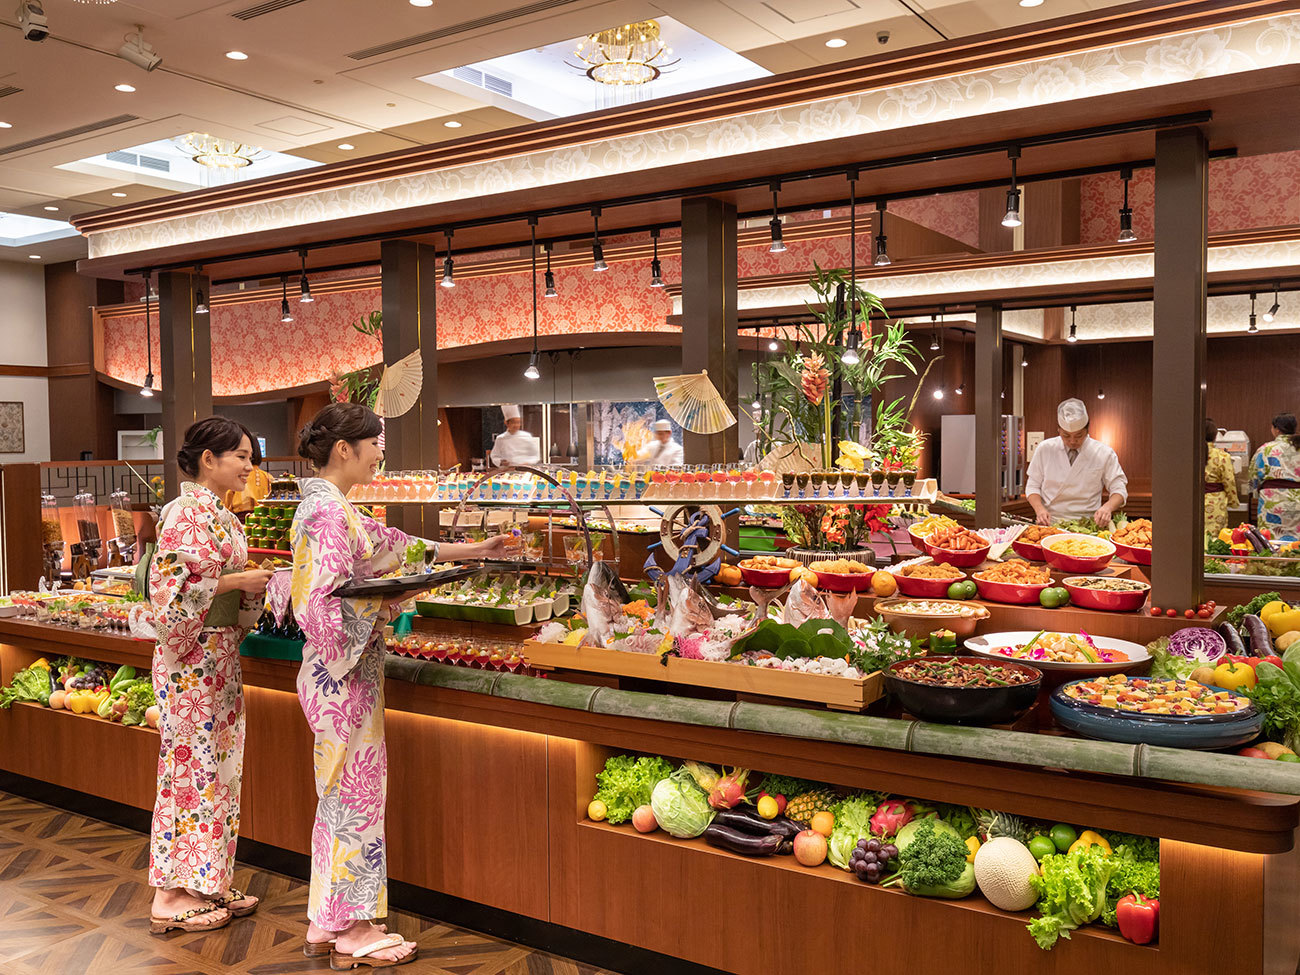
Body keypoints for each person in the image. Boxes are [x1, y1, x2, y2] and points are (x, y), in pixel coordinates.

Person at [291, 403, 506, 968]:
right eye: (376, 445)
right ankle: (356, 929)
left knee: (340, 798)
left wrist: (474, 551)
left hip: (340, 674)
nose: (381, 455)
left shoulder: (333, 507)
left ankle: (327, 920)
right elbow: (321, 608)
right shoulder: (327, 513)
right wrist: (391, 600)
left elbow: (398, 545)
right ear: (345, 449)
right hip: (342, 673)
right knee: (354, 798)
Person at [146, 418, 275, 934]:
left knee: (218, 771)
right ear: (208, 459)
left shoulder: (221, 514)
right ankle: (167, 894)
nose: (248, 466)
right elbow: (168, 592)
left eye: (250, 457)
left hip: (217, 657)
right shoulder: (185, 513)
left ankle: (205, 880)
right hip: (190, 662)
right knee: (188, 771)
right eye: (241, 456)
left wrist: (247, 587)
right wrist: (238, 581)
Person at [1025, 398, 1128, 527]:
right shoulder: (1045, 449)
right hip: (1052, 522)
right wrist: (1039, 510)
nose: (1072, 441)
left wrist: (1108, 507)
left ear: (1087, 430)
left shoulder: (1104, 453)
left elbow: (1119, 488)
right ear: (1059, 430)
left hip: (1089, 523)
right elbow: (1032, 485)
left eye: (1079, 436)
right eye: (1066, 435)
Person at [1250, 412, 1300, 539]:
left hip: (1272, 501)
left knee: (1270, 539)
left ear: (1277, 429)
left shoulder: (1265, 449)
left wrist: (1255, 494)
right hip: (1298, 501)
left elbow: (1254, 476)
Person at [1204, 418, 1239, 538]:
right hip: (1216, 502)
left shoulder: (1188, 455)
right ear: (1215, 436)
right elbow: (1229, 481)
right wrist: (1233, 502)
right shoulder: (1222, 456)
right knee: (1215, 538)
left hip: (1191, 500)